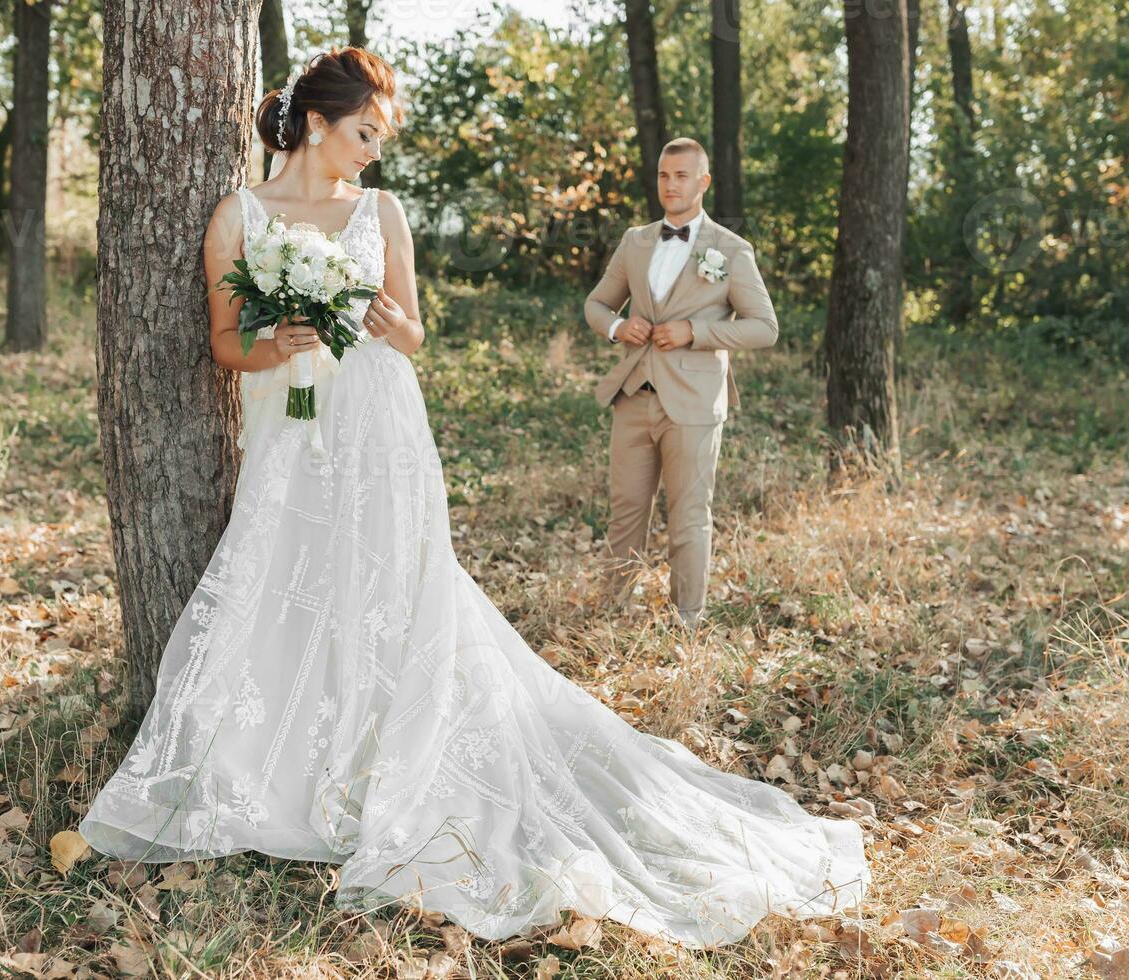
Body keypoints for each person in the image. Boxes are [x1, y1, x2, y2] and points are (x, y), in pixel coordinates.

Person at [78, 46, 869, 950]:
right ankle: (283, 765)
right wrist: (280, 338)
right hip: (292, 425)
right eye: (365, 133)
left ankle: (388, 754)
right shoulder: (239, 215)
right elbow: (226, 341)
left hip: (381, 425)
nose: (374, 150)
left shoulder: (382, 210)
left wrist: (383, 319)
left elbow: (413, 334)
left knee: (393, 586)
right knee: (287, 571)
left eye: (381, 136)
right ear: (316, 124)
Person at [584, 138, 780, 629]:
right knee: (626, 512)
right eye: (664, 175)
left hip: (693, 404)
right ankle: (610, 615)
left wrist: (696, 332)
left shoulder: (731, 251)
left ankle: (687, 621)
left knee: (689, 517)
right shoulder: (635, 241)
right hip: (634, 396)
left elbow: (764, 327)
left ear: (703, 182)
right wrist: (616, 327)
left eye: (682, 176)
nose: (671, 185)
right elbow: (597, 304)